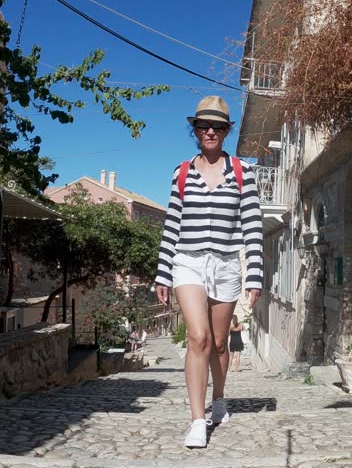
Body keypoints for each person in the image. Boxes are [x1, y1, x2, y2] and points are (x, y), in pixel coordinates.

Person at [154, 96, 263, 449]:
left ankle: (219, 399)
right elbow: (172, 223)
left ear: (227, 131)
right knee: (198, 337)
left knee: (218, 343)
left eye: (217, 126)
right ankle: (197, 420)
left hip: (228, 263)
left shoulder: (244, 172)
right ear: (195, 130)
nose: (210, 131)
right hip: (188, 261)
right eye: (203, 125)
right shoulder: (181, 172)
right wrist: (162, 272)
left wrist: (255, 275)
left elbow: (252, 226)